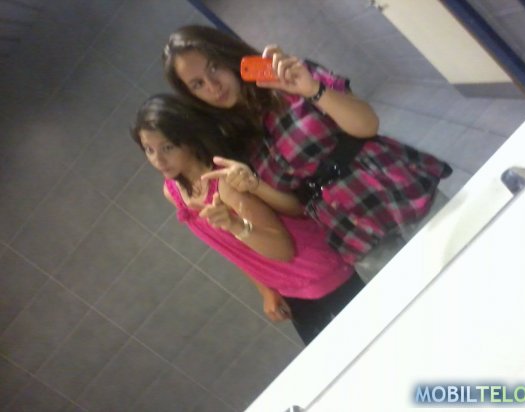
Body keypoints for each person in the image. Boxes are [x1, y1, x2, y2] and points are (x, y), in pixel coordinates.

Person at [162, 25, 453, 266]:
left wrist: (312, 90)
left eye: (214, 67)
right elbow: (296, 206)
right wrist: (254, 185)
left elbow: (367, 124)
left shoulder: (290, 76)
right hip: (355, 237)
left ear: (229, 56)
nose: (213, 86)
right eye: (197, 84)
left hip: (398, 193)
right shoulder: (231, 143)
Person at [131, 94, 365, 345]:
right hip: (288, 285)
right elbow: (234, 249)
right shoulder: (173, 191)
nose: (158, 160)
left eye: (167, 147)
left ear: (188, 140)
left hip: (316, 271)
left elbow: (283, 249)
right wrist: (266, 289)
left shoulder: (225, 182)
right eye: (149, 150)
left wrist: (233, 225)